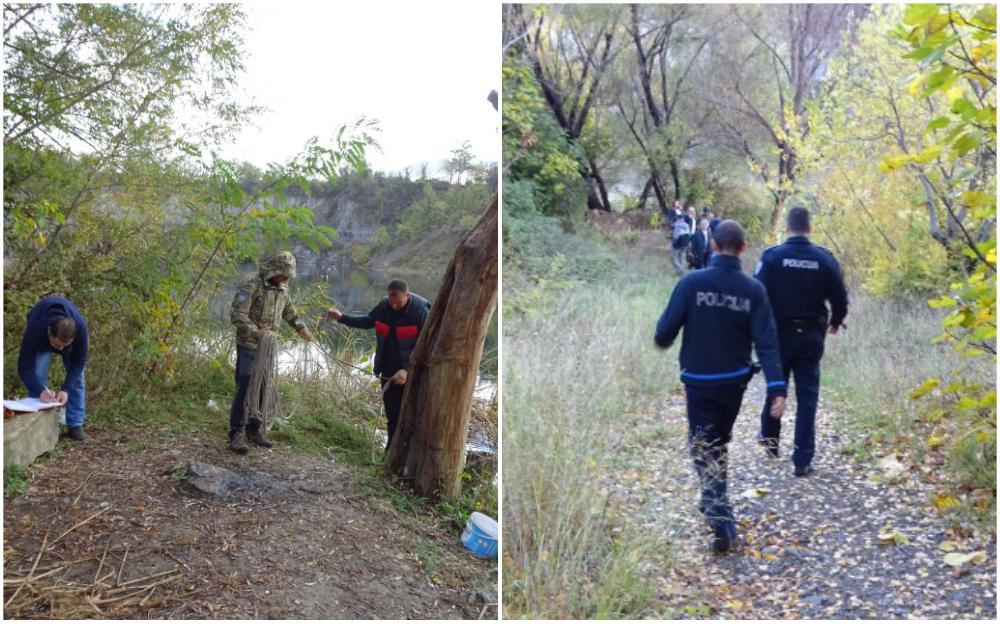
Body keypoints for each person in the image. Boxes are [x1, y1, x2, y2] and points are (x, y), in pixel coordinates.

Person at [654, 220, 787, 552]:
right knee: (717, 444)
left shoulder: (691, 283)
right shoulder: (753, 290)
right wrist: (777, 388)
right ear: (742, 249)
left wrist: (674, 330)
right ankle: (714, 502)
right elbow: (768, 344)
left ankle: (720, 519)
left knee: (703, 448)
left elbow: (663, 334)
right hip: (733, 384)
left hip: (699, 382)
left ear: (712, 245)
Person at [754, 206, 848, 476]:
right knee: (808, 396)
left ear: (788, 226)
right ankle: (802, 460)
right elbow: (840, 297)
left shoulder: (772, 258)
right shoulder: (825, 259)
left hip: (778, 335)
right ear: (810, 228)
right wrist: (835, 321)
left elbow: (756, 292)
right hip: (811, 336)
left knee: (776, 385)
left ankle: (771, 443)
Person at [328, 279, 431, 452]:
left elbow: (428, 344)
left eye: (398, 302)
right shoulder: (384, 306)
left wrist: (407, 370)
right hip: (388, 372)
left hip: (413, 374)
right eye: (391, 301)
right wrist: (341, 318)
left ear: (407, 295)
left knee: (411, 415)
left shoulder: (420, 311)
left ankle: (409, 454)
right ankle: (390, 451)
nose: (394, 306)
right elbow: (368, 321)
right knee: (392, 414)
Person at [229, 251, 313, 454]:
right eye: (283, 274)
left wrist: (299, 326)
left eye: (288, 276)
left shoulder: (283, 287)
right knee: (247, 383)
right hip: (249, 343)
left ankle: (254, 428)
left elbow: (288, 310)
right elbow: (237, 313)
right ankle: (236, 432)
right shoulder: (251, 284)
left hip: (268, 346)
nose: (286, 279)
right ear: (274, 270)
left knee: (264, 385)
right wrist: (255, 332)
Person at [17, 297, 89, 441]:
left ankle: (75, 425)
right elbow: (24, 366)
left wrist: (66, 389)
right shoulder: (35, 329)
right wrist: (40, 390)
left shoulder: (80, 328)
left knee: (77, 378)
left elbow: (79, 362)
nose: (61, 349)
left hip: (62, 336)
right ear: (50, 331)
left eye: (65, 345)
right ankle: (38, 422)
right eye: (57, 345)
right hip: (41, 336)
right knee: (38, 373)